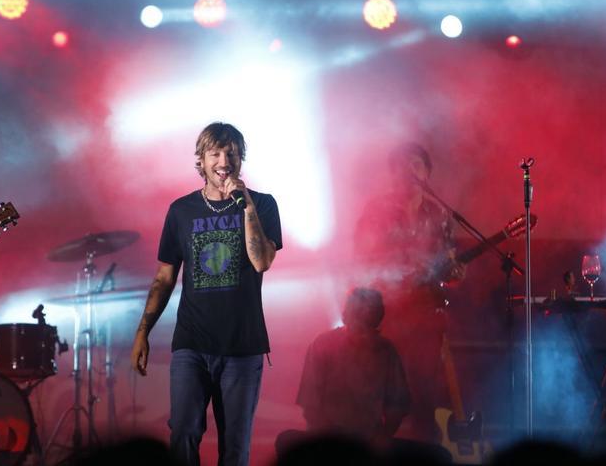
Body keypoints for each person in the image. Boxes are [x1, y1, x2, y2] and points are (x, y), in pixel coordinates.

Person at [130, 122, 282, 466]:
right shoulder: (181, 211)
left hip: (243, 347)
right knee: (182, 434)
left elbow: (262, 262)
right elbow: (164, 277)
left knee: (235, 447)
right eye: (215, 153)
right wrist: (143, 333)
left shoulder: (262, 205)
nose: (223, 160)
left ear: (241, 158)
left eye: (231, 152)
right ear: (201, 160)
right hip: (192, 344)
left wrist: (245, 207)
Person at [353, 142, 464, 443]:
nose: (408, 171)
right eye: (401, 165)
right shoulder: (376, 211)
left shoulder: (439, 215)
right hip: (386, 314)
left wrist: (454, 275)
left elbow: (449, 265)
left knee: (423, 394)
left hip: (427, 316)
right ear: (392, 174)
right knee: (382, 393)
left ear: (427, 172)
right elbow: (362, 258)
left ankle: (421, 451)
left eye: (416, 164)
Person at [295, 287, 410, 446]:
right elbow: (311, 405)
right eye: (359, 322)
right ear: (347, 317)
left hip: (371, 441)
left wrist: (381, 439)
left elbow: (397, 407)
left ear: (377, 320)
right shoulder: (323, 344)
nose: (363, 333)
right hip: (328, 440)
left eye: (369, 325)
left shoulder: (387, 351)